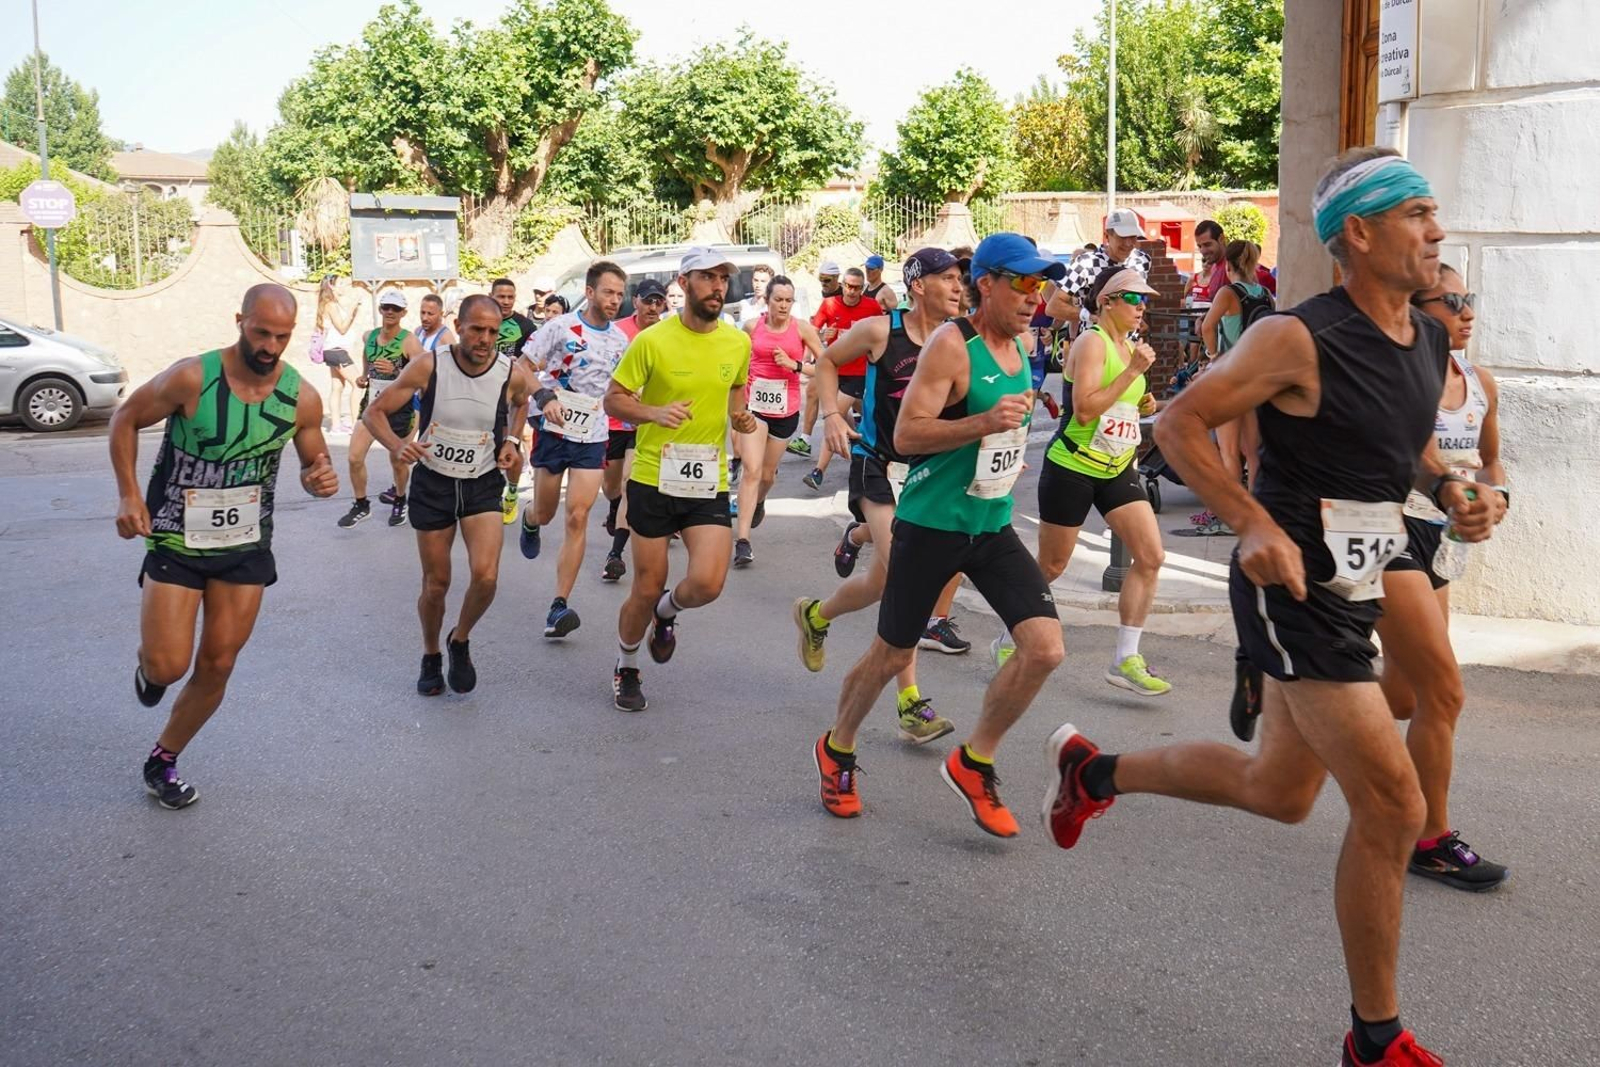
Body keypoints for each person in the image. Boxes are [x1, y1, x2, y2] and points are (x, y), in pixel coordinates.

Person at [1043, 147, 1493, 1066]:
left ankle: (1096, 774)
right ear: (1357, 236)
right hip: (1293, 584)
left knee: (1280, 791)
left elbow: (1398, 448)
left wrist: (1451, 490)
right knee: (1392, 803)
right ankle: (1376, 1037)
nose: (1436, 231)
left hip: (1364, 565)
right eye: (1416, 215)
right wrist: (1249, 520)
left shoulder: (1430, 337)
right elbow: (1178, 422)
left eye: (1434, 213)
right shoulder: (1296, 336)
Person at [812, 233, 1066, 837]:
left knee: (1046, 648)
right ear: (988, 284)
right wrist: (983, 424)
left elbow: (1000, 428)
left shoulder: (1023, 344)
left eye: (1042, 285)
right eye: (1025, 283)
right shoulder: (953, 346)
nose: (1037, 296)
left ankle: (975, 762)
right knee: (892, 655)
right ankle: (837, 749)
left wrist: (1006, 443)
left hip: (990, 523)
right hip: (930, 525)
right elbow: (907, 434)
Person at [111, 283, 340, 808]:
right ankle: (149, 668)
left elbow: (314, 462)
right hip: (175, 534)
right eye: (262, 333)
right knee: (169, 667)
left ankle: (163, 760)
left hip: (245, 543)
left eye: (282, 336)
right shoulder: (193, 376)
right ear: (240, 320)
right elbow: (125, 419)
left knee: (218, 663)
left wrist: (318, 478)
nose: (271, 346)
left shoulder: (301, 396)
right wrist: (128, 494)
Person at [793, 248, 969, 744]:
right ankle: (911, 702)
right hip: (877, 464)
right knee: (907, 579)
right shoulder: (880, 330)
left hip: (927, 473)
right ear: (918, 285)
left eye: (961, 278)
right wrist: (830, 416)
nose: (959, 287)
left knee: (878, 583)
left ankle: (815, 613)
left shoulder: (960, 339)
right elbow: (826, 363)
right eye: (948, 278)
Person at [1376, 265, 1510, 892]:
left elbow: (1491, 459)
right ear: (1417, 308)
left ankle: (1306, 695)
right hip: (1389, 533)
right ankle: (1429, 839)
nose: (1466, 310)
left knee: (1403, 698)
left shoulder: (1479, 381)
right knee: (1443, 692)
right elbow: (1402, 461)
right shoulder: (1400, 375)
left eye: (1470, 298)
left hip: (1443, 541)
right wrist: (1452, 490)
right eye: (1451, 300)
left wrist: (1496, 495)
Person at [994, 265, 1171, 694]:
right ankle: (1008, 633)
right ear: (1107, 301)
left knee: (1151, 556)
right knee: (1053, 565)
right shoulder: (1092, 343)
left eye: (1144, 299)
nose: (1141, 306)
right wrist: (1132, 374)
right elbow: (1087, 409)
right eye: (1133, 298)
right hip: (1072, 467)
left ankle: (1125, 658)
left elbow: (1119, 406)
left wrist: (1142, 403)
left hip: (1116, 469)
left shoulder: (1129, 346)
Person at [602, 248, 754, 712]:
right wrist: (652, 412)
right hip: (652, 476)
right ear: (684, 283)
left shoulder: (736, 342)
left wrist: (740, 417)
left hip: (707, 477)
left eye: (723, 278)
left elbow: (734, 389)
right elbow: (613, 400)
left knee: (708, 583)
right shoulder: (652, 341)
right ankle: (627, 664)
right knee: (646, 586)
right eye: (707, 277)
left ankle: (666, 615)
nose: (717, 286)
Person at [363, 294, 536, 695]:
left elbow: (522, 403)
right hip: (435, 482)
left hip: (482, 481)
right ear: (458, 326)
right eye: (477, 329)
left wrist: (511, 439)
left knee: (487, 577)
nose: (485, 338)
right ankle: (430, 653)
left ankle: (459, 639)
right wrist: (395, 445)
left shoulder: (509, 371)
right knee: (436, 584)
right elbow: (375, 412)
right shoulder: (430, 364)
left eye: (492, 331)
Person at [517, 261, 630, 638]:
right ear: (590, 291)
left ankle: (559, 604)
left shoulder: (620, 340)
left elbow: (621, 389)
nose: (615, 300)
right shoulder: (559, 327)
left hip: (593, 433)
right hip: (553, 429)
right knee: (547, 512)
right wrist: (544, 394)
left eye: (619, 294)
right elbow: (522, 367)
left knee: (577, 516)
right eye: (608, 292)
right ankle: (530, 518)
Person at [732, 275, 823, 566]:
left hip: (786, 411)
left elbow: (826, 366)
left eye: (788, 300)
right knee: (751, 470)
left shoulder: (802, 329)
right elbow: (736, 360)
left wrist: (795, 365)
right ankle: (743, 541)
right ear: (767, 300)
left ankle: (759, 501)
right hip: (755, 408)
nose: (783, 305)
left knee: (768, 475)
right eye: (778, 299)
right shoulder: (751, 327)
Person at [1196, 239, 1275, 530]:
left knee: (1229, 452)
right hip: (1256, 377)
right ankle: (1253, 512)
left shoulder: (1228, 293)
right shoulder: (1266, 295)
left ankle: (1228, 515)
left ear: (1227, 266)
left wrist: (1213, 355)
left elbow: (1207, 326)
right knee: (1252, 453)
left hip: (1229, 376)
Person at [600, 279, 669, 583]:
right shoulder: (618, 332)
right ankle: (614, 507)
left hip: (645, 422)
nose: (654, 307)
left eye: (659, 302)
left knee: (629, 483)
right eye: (649, 301)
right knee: (611, 487)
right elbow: (605, 373)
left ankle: (615, 555)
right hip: (615, 420)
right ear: (637, 302)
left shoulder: (668, 335)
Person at [336, 289, 424, 529]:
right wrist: (365, 375)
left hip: (402, 408)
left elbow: (424, 372)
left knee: (397, 460)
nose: (390, 312)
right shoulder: (370, 336)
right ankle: (361, 504)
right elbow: (367, 356)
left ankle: (400, 499)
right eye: (386, 307)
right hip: (372, 405)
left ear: (403, 312)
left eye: (395, 309)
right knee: (354, 457)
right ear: (380, 309)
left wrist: (396, 372)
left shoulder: (409, 341)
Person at [802, 267, 885, 489]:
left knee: (835, 416)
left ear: (862, 288)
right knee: (866, 418)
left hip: (860, 374)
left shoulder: (871, 306)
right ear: (843, 284)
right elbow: (811, 332)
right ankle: (864, 448)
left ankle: (818, 471)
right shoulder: (830, 304)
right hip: (836, 371)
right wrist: (822, 336)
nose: (851, 291)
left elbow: (885, 333)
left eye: (857, 287)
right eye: (848, 286)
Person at [1052, 207, 1153, 332]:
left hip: (1127, 345)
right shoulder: (1086, 263)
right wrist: (1092, 317)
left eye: (1132, 237)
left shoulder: (1142, 260)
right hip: (1095, 342)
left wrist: (1136, 318)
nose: (1128, 243)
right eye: (1122, 237)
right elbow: (1054, 306)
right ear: (1107, 236)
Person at [491, 279, 539, 524]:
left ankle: (511, 492)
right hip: (484, 392)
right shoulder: (486, 321)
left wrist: (518, 366)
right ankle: (487, 492)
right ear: (492, 296)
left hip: (513, 395)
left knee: (511, 444)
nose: (506, 301)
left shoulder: (525, 325)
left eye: (510, 297)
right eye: (501, 296)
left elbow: (538, 359)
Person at [790, 261, 847, 460]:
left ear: (837, 279)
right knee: (819, 394)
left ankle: (860, 439)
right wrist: (807, 357)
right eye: (820, 279)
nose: (823, 283)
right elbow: (813, 331)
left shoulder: (843, 297)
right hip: (830, 356)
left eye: (827, 280)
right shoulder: (827, 298)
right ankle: (806, 439)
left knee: (848, 402)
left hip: (850, 357)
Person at [314, 276, 361, 433]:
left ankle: (335, 425)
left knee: (337, 387)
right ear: (332, 287)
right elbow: (342, 328)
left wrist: (353, 312)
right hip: (336, 351)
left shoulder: (332, 305)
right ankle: (356, 424)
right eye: (340, 284)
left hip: (333, 350)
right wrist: (352, 309)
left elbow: (344, 325)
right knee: (358, 384)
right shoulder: (331, 305)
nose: (343, 287)